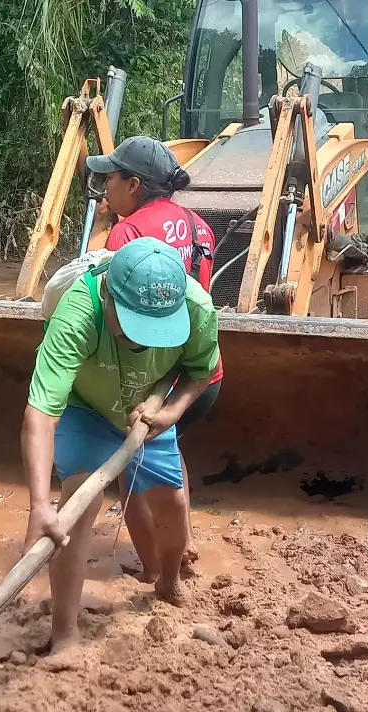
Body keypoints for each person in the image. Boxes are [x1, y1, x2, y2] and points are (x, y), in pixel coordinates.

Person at [23, 237, 221, 654]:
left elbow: (201, 370)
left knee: (174, 503)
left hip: (150, 406)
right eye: (134, 328)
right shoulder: (77, 312)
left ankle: (167, 583)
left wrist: (171, 412)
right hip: (85, 405)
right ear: (109, 298)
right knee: (76, 510)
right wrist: (39, 504)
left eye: (156, 331)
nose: (143, 343)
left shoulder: (196, 307)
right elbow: (42, 411)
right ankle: (64, 633)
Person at [87, 135, 220, 576]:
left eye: (111, 178)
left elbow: (105, 302)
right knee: (169, 459)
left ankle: (154, 569)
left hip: (150, 375)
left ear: (135, 185)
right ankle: (181, 548)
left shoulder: (128, 233)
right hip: (200, 376)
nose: (104, 187)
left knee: (131, 468)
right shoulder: (200, 226)